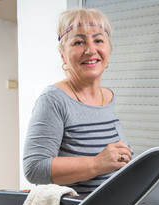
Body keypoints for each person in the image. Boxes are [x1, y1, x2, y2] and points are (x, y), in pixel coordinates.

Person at [23, 8, 133, 194]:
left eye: (98, 40)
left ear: (108, 49)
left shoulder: (108, 97)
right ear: (63, 55)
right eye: (79, 42)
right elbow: (34, 168)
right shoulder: (53, 99)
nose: (91, 50)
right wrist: (97, 163)